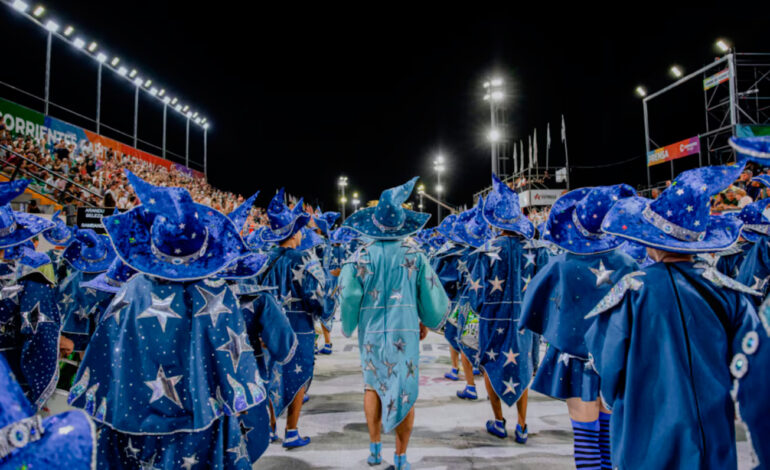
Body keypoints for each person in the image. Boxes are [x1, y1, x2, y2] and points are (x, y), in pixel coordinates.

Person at [68, 171, 265, 468]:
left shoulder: (131, 291)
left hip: (133, 421)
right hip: (200, 422)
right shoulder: (217, 293)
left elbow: (107, 355)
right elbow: (234, 365)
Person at [585, 163, 761, 469]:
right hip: (712, 433)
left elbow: (607, 360)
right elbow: (753, 361)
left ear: (652, 241)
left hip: (646, 430)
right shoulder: (729, 292)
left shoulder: (631, 291)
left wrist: (612, 398)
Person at [519, 184, 638, 470]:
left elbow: (534, 306)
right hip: (618, 361)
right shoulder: (629, 262)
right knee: (609, 436)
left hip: (576, 362)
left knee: (586, 438)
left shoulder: (560, 264)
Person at [339, 177, 449, 470]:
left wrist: (350, 322)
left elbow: (349, 294)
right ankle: (401, 457)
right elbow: (430, 295)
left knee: (372, 385)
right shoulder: (415, 254)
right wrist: (425, 319)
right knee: (404, 389)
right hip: (406, 330)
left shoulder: (360, 256)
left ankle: (375, 450)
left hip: (372, 332)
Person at [459, 175, 539, 442]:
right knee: (522, 368)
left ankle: (498, 421)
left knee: (491, 366)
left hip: (493, 321)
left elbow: (475, 296)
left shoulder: (486, 250)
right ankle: (523, 426)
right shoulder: (536, 250)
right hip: (524, 321)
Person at [257, 188, 330, 447]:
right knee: (298, 375)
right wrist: (322, 311)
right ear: (293, 233)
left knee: (270, 374)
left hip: (266, 326)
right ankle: (291, 431)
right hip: (298, 323)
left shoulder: (261, 259)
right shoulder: (303, 259)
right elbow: (316, 295)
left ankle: (269, 429)